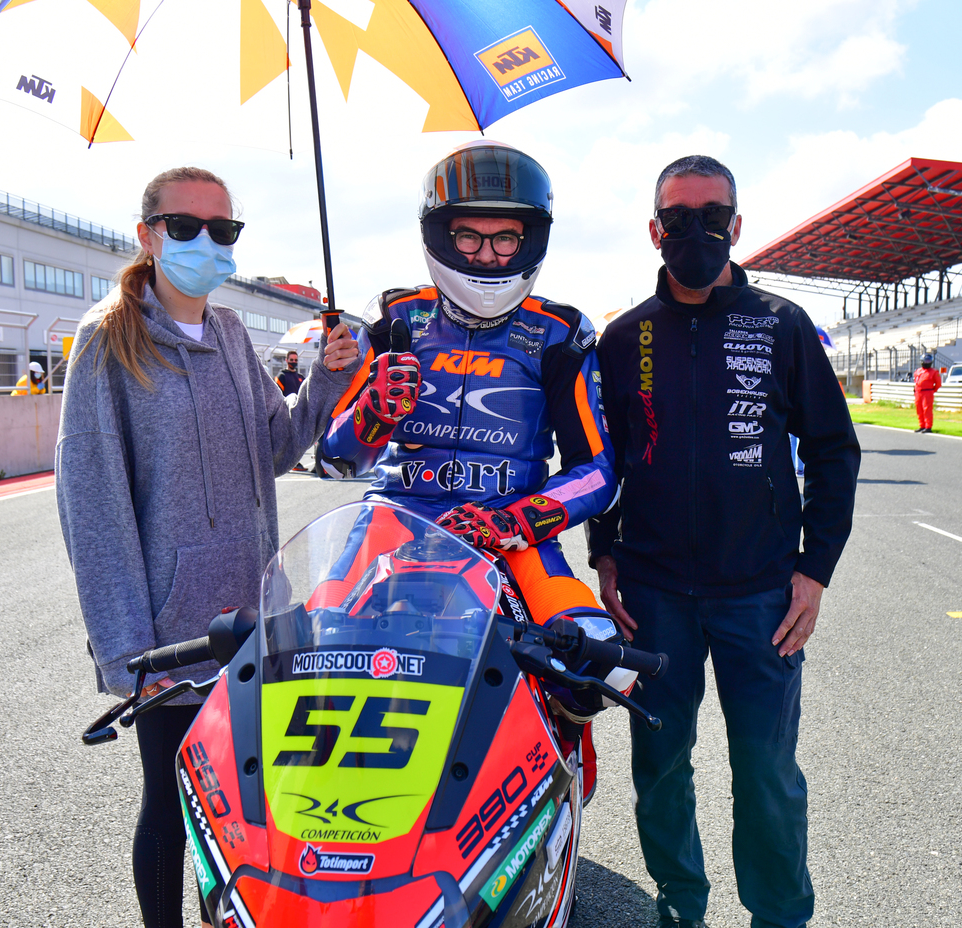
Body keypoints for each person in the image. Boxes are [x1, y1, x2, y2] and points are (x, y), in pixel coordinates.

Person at [55, 166, 359, 928]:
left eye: (223, 229)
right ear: (148, 235)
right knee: (172, 804)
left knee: (245, 810)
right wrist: (130, 652)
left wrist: (326, 381)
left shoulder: (229, 332)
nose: (206, 242)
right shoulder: (106, 340)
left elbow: (278, 445)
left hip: (254, 620)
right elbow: (92, 506)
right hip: (172, 636)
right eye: (185, 226)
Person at [587, 155, 860, 928]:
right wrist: (604, 552)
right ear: (655, 231)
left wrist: (815, 571)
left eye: (712, 217)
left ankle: (779, 917)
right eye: (679, 218)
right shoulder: (624, 338)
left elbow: (834, 450)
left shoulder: (782, 323)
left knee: (767, 773)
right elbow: (601, 461)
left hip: (760, 594)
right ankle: (681, 906)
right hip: (653, 595)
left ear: (735, 226)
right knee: (660, 769)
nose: (696, 230)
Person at [317, 141, 615, 798]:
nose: (486, 257)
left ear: (530, 239)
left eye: (505, 239)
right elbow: (336, 461)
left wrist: (517, 520)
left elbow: (597, 471)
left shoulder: (560, 332)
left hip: (512, 535)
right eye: (468, 237)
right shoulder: (394, 320)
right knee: (312, 646)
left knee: (594, 655)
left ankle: (563, 756)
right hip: (392, 524)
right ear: (439, 235)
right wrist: (372, 411)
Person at [914, 353, 942, 432]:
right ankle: (922, 425)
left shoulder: (934, 372)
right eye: (925, 360)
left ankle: (928, 426)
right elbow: (916, 381)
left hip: (927, 392)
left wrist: (932, 390)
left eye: (928, 361)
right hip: (918, 392)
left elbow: (938, 383)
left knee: (927, 409)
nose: (927, 362)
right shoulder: (918, 371)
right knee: (919, 409)